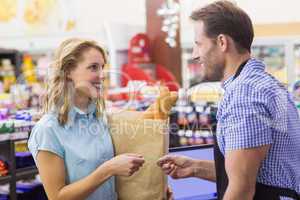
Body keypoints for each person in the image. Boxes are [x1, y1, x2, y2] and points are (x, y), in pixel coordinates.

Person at [157, 1, 300, 200]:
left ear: (222, 42)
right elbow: (252, 172)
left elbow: (241, 188)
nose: (195, 55)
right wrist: (195, 167)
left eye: (199, 44)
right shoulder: (265, 84)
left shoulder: (245, 95)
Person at [28, 38, 145, 200]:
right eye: (93, 68)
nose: (102, 75)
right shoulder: (48, 130)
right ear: (68, 71)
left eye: (102, 67)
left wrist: (154, 187)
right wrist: (107, 170)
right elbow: (57, 196)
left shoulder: (100, 118)